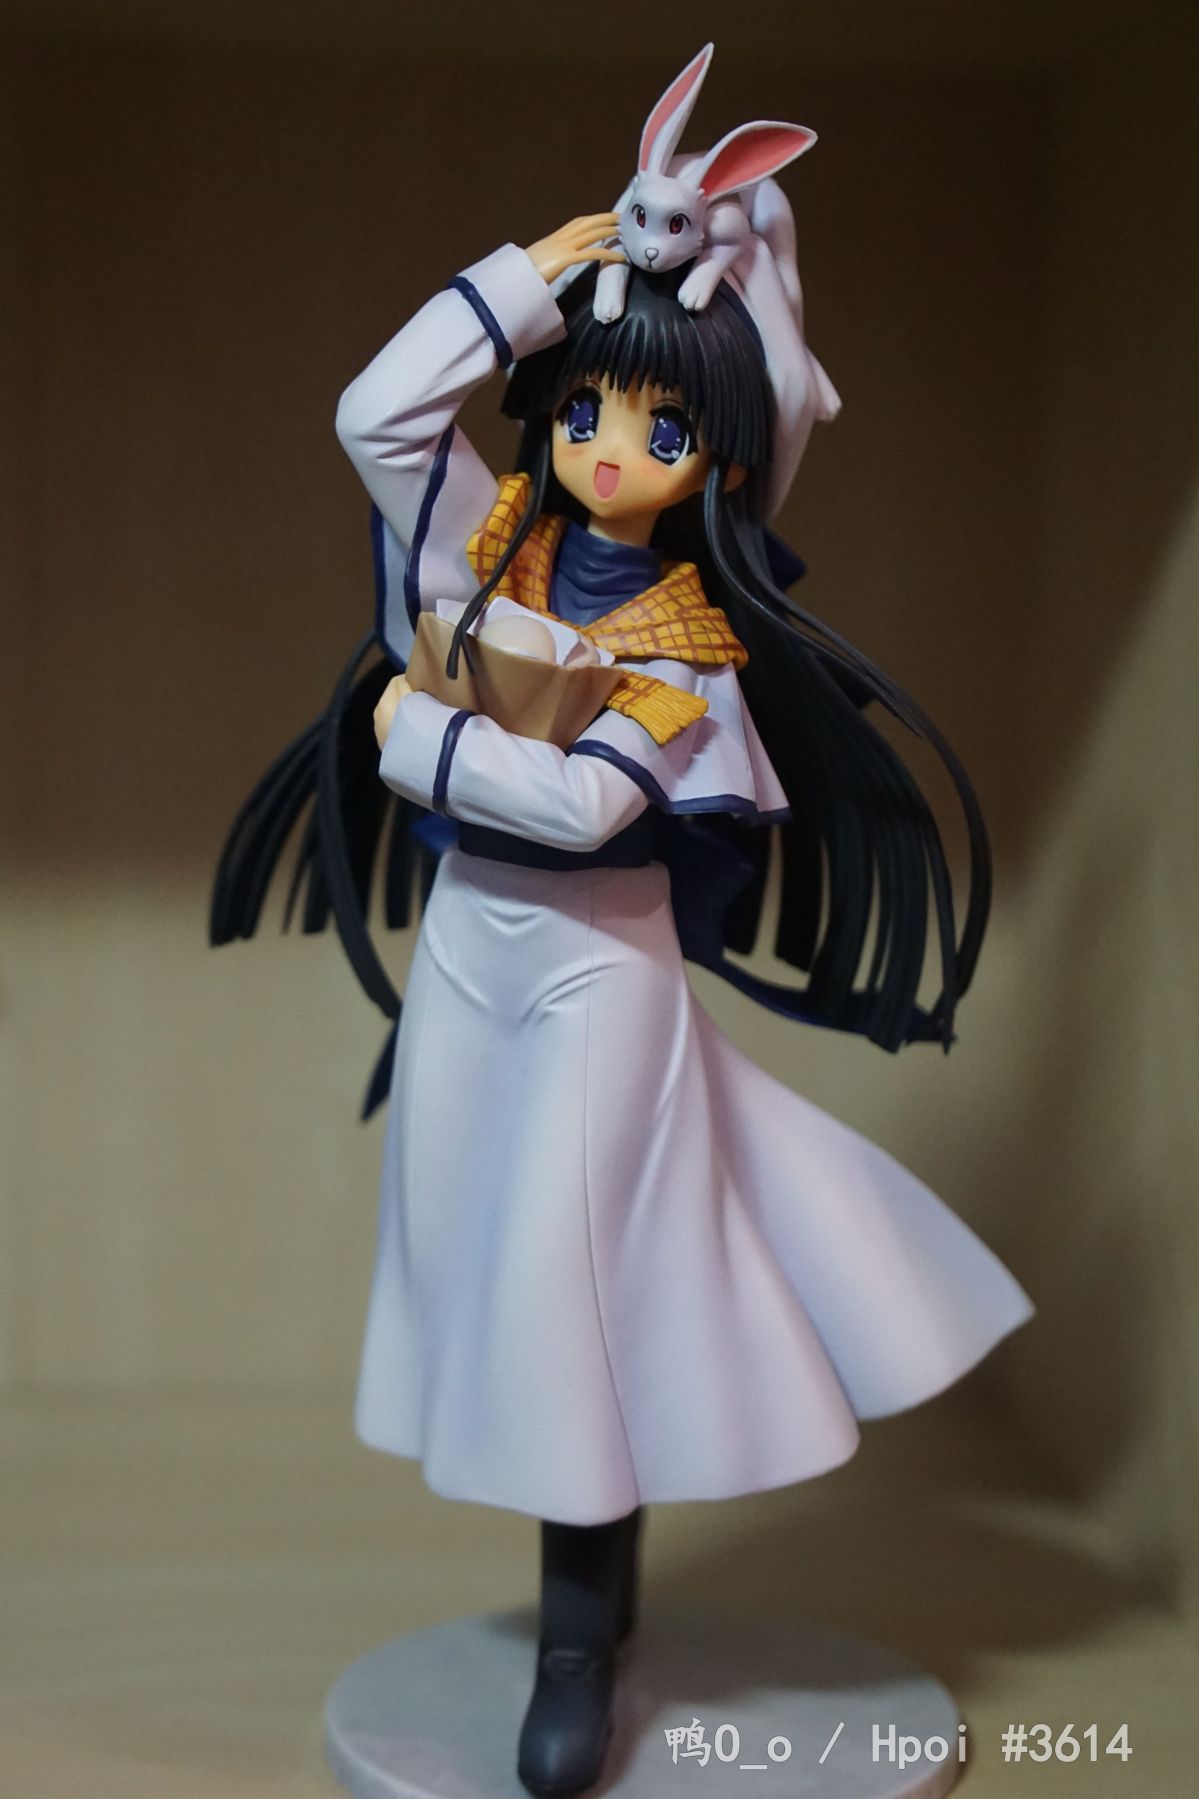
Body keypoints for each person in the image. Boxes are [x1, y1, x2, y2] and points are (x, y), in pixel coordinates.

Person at [214, 213, 1033, 1797]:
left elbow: (584, 808)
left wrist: (409, 737)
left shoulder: (691, 648)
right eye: (586, 406)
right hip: (471, 948)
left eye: (662, 431)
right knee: (467, 1263)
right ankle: (593, 1612)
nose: (607, 451)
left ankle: (579, 1648)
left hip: (601, 969)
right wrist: (525, 282)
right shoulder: (487, 542)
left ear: (717, 460)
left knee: (566, 1295)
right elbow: (376, 416)